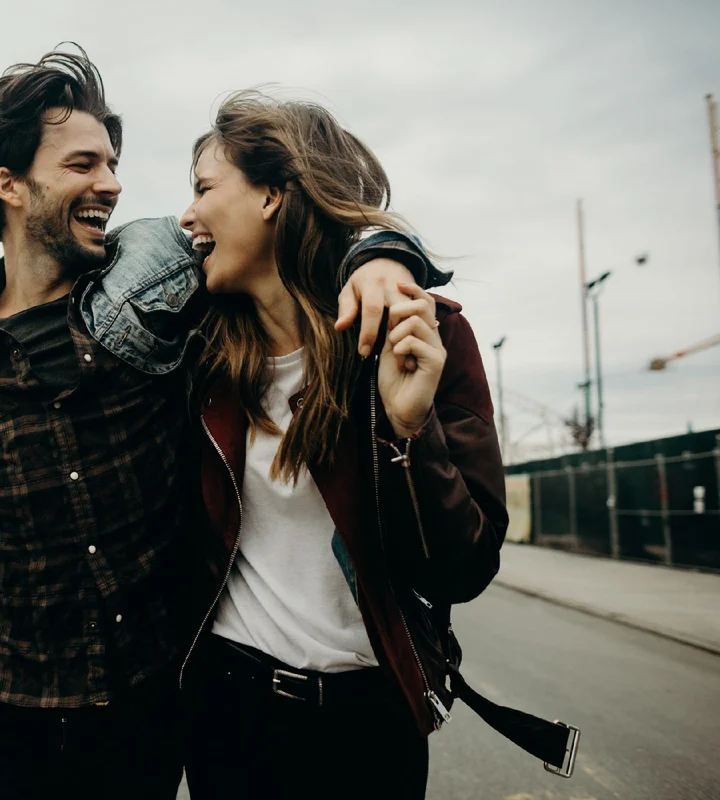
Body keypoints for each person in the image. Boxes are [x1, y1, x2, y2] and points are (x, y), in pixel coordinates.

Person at [0, 48, 440, 800]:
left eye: (112, 163)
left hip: (134, 708)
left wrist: (381, 255)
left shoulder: (159, 272)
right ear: (9, 185)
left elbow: (300, 225)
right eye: (83, 165)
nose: (110, 184)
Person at [176, 92, 506, 799]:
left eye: (204, 188)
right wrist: (386, 245)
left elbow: (465, 568)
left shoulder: (425, 337)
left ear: (272, 194)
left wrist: (408, 433)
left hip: (372, 725)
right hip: (228, 713)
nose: (187, 214)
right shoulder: (197, 354)